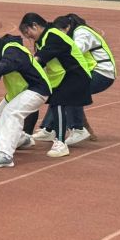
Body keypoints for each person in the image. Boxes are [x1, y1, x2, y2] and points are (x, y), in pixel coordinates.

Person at [0, 19, 53, 167]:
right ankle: (23, 140)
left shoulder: (12, 50)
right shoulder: (1, 52)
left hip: (37, 89)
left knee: (11, 112)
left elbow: (6, 66)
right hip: (21, 91)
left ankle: (4, 155)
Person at [32, 13, 94, 155]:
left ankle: (62, 141)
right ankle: (52, 131)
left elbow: (42, 57)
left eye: (27, 31)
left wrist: (28, 65)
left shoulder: (53, 35)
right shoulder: (44, 38)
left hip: (78, 74)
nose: (28, 36)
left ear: (35, 26)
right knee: (56, 102)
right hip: (67, 74)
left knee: (58, 102)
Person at [56, 12, 115, 141]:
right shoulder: (77, 33)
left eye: (60, 32)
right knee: (59, 91)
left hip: (102, 72)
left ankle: (77, 128)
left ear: (68, 27)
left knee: (70, 91)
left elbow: (76, 50)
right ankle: (50, 128)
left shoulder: (82, 32)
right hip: (93, 70)